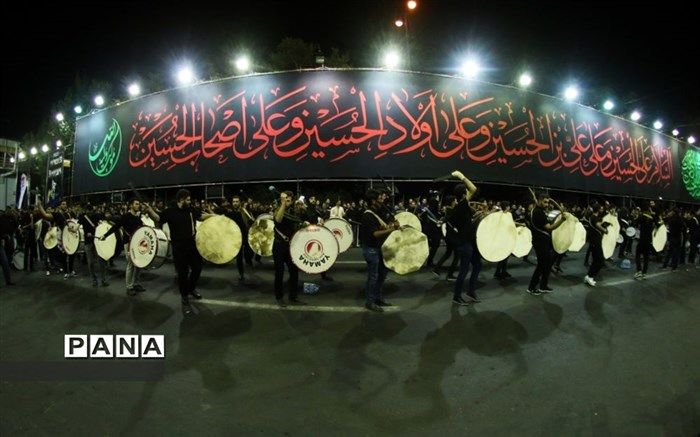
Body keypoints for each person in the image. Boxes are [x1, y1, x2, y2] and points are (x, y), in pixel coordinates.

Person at [146, 189, 214, 314]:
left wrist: (213, 216)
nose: (189, 201)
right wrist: (150, 211)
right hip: (178, 248)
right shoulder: (170, 211)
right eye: (187, 199)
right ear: (181, 199)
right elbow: (159, 217)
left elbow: (201, 216)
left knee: (198, 268)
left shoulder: (190, 209)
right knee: (182, 274)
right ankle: (184, 298)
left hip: (192, 245)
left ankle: (191, 288)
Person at [101, 198, 156, 295]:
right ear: (131, 205)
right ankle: (129, 287)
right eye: (136, 204)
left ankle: (136, 284)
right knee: (131, 264)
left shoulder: (138, 218)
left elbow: (143, 229)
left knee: (139, 264)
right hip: (128, 243)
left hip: (137, 243)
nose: (138, 205)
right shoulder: (125, 216)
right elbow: (115, 227)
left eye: (138, 204)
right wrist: (105, 235)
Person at [360, 189, 400, 312]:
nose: (382, 200)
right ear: (373, 201)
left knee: (381, 275)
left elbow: (383, 226)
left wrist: (391, 224)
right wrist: (392, 229)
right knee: (373, 277)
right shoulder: (368, 215)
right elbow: (376, 234)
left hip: (377, 249)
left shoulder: (375, 213)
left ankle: (377, 298)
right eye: (380, 198)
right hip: (371, 250)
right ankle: (369, 302)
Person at [446, 170, 479, 305]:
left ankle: (470, 292)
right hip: (465, 244)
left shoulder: (458, 208)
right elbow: (474, 188)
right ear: (464, 194)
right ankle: (456, 296)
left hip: (467, 242)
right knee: (464, 271)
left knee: (477, 265)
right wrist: (462, 177)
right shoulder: (462, 205)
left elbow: (464, 223)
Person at [527, 193, 566, 295]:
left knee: (547, 265)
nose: (547, 204)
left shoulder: (536, 211)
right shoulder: (538, 213)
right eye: (545, 202)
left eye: (548, 202)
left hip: (542, 241)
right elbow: (549, 227)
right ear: (539, 201)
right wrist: (561, 220)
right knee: (541, 265)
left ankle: (543, 286)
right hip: (540, 243)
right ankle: (531, 287)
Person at [270, 191, 305, 306]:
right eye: (283, 199)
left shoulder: (295, 212)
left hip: (291, 246)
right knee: (279, 273)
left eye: (288, 200)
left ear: (293, 200)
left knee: (294, 272)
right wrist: (283, 204)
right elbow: (278, 220)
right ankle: (279, 297)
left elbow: (300, 222)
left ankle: (293, 296)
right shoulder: (277, 209)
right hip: (279, 246)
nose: (285, 202)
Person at [36, 199, 75, 279]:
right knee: (64, 255)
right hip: (62, 237)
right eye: (63, 204)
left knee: (72, 254)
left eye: (66, 204)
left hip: (70, 236)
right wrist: (39, 206)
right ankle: (66, 272)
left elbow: (72, 224)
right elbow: (45, 215)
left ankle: (71, 270)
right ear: (60, 205)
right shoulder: (56, 214)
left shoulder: (68, 214)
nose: (65, 205)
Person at [79, 204, 109, 287]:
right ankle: (94, 280)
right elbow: (77, 227)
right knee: (90, 262)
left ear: (92, 211)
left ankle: (103, 280)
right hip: (88, 242)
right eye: (88, 211)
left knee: (101, 261)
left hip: (97, 241)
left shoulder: (96, 216)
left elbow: (101, 225)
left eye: (90, 211)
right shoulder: (82, 217)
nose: (89, 213)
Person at [583, 203, 607, 287]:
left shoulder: (594, 217)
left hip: (595, 242)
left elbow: (598, 225)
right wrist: (605, 230)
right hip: (595, 243)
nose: (602, 210)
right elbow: (598, 226)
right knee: (600, 261)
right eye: (601, 209)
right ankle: (590, 276)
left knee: (596, 260)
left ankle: (589, 276)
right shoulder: (594, 217)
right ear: (597, 209)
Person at [634, 203, 657, 279]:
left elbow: (635, 223)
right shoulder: (652, 217)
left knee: (637, 255)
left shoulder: (641, 216)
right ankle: (644, 273)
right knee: (646, 257)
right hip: (649, 240)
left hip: (642, 240)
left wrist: (637, 216)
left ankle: (639, 271)